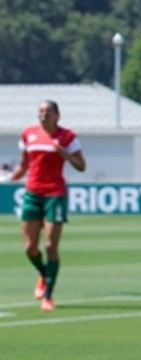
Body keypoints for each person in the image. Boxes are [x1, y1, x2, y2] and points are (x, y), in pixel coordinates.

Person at [10, 100, 86, 311]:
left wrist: (65, 154)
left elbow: (81, 166)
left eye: (48, 112)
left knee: (51, 246)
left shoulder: (67, 137)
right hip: (32, 192)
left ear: (57, 115)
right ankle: (44, 273)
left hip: (55, 194)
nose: (43, 115)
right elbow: (25, 164)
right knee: (30, 247)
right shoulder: (28, 134)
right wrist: (12, 177)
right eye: (40, 112)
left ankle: (48, 296)